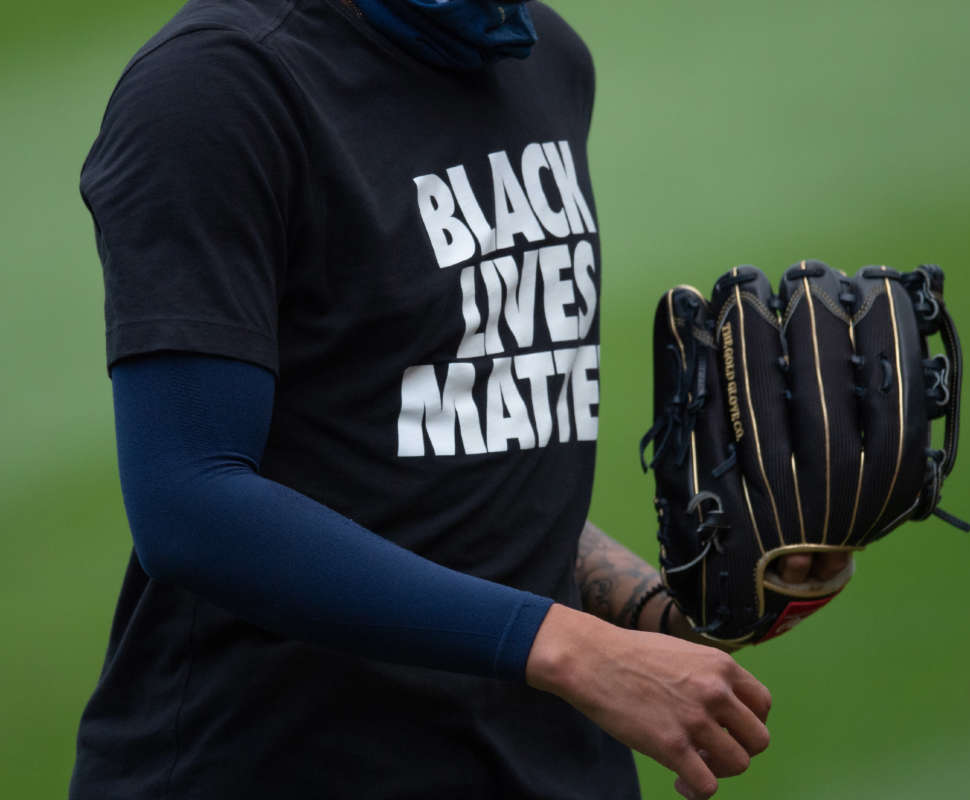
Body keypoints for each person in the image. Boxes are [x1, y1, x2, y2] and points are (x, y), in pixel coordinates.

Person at [70, 1, 851, 798]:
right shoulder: (217, 87)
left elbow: (459, 462)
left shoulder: (541, 60)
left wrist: (670, 611)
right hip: (270, 766)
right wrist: (573, 650)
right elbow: (189, 502)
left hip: (550, 771)